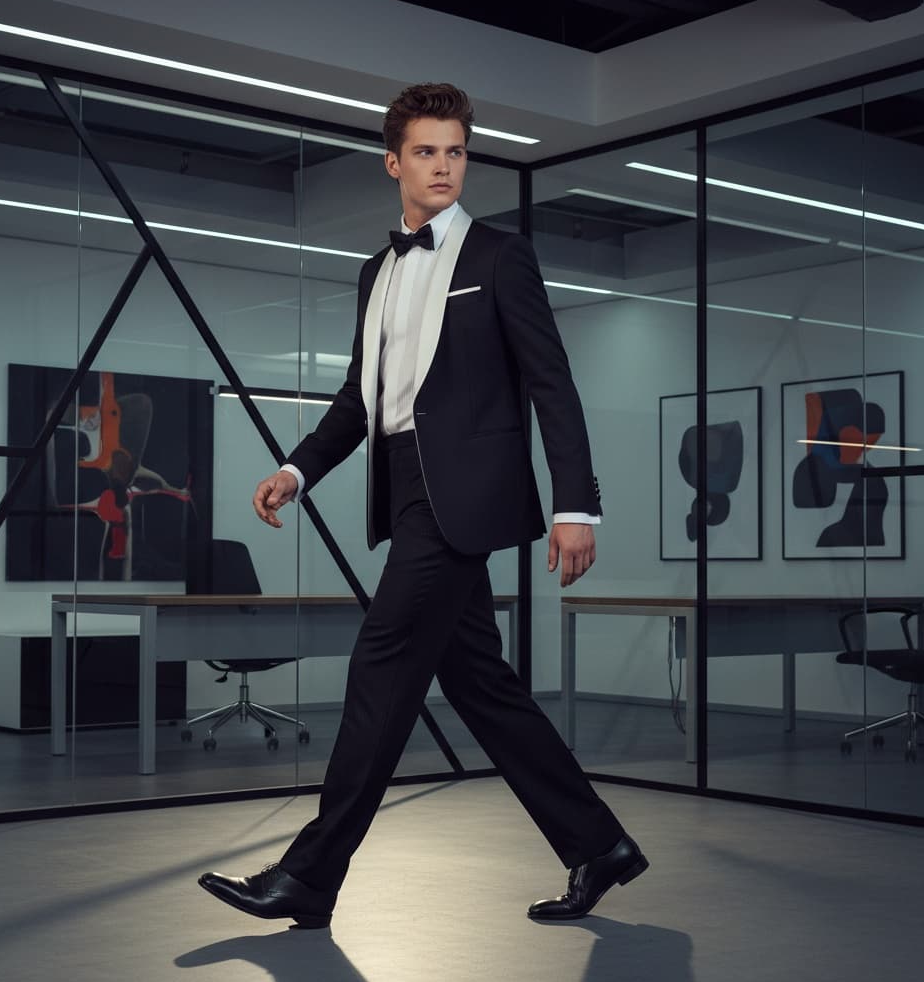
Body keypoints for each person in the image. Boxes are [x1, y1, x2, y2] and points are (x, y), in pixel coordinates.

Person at [198, 83, 647, 929]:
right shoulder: (376, 272)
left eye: (457, 151)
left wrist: (576, 506)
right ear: (393, 162)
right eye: (428, 151)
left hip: (462, 497)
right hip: (400, 485)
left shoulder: (499, 256)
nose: (445, 167)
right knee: (482, 686)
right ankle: (598, 845)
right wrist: (295, 471)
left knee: (380, 668)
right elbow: (359, 403)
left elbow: (552, 381)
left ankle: (310, 874)